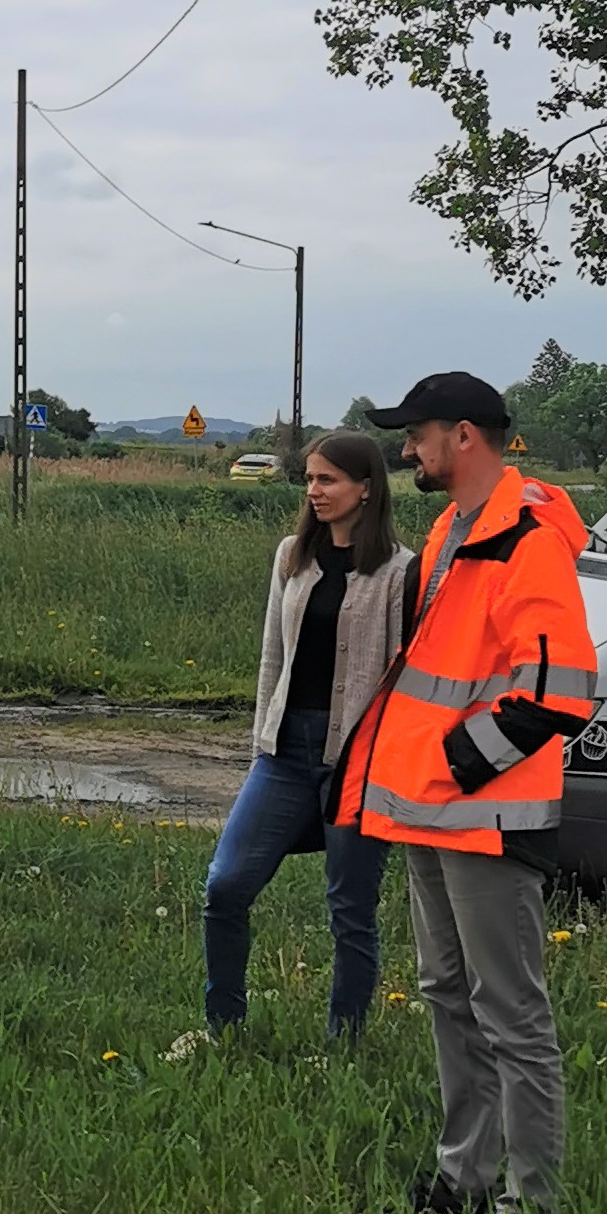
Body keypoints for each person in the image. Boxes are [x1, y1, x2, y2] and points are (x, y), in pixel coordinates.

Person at [339, 372, 596, 1214]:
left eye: (415, 434)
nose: (404, 449)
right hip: (426, 808)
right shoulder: (453, 528)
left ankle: (532, 1205)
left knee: (510, 1013)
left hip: (485, 817)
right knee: (446, 993)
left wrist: (456, 762)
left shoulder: (527, 540)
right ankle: (465, 1177)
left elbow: (557, 692)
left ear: (463, 436)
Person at [202, 430, 417, 1041]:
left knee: (350, 910)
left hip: (359, 764)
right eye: (311, 479)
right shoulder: (291, 555)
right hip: (285, 753)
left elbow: (405, 678)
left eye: (328, 479)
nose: (314, 490)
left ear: (366, 488)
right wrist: (258, 749)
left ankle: (344, 1043)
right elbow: (273, 657)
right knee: (226, 885)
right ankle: (224, 1027)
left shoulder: (403, 573)